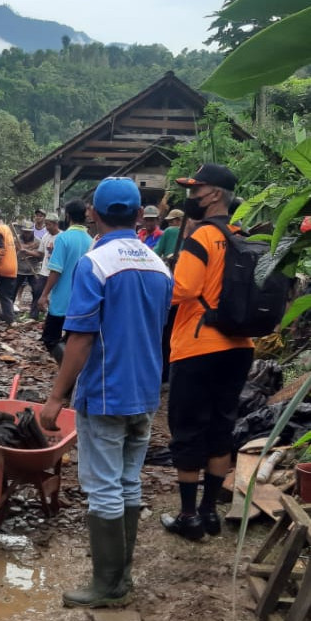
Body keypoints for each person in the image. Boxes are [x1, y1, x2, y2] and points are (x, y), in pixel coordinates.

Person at [40, 177, 172, 608]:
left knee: (104, 489)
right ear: (138, 216)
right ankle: (122, 576)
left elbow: (79, 337)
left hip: (104, 392)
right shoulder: (159, 265)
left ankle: (106, 585)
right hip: (145, 391)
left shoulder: (96, 263)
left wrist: (57, 397)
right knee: (129, 482)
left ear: (93, 214)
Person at [160, 163, 254, 541]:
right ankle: (210, 513)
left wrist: (162, 277)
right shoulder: (242, 237)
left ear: (214, 194)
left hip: (198, 345)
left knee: (187, 429)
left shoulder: (200, 237)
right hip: (239, 347)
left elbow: (180, 290)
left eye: (197, 190)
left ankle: (188, 517)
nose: (192, 197)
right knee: (221, 427)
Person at [37, 199, 92, 364]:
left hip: (62, 299)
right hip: (82, 300)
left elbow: (56, 270)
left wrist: (44, 294)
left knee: (50, 338)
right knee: (71, 339)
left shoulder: (63, 239)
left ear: (67, 216)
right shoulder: (91, 240)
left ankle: (69, 370)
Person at [13, 225, 41, 318]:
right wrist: (18, 250)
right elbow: (11, 253)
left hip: (33, 271)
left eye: (29, 232)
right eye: (25, 231)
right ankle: (7, 312)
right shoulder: (16, 240)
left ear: (32, 232)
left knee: (37, 291)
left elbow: (41, 255)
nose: (27, 234)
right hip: (19, 270)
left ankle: (34, 315)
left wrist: (27, 252)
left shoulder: (38, 241)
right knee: (12, 291)